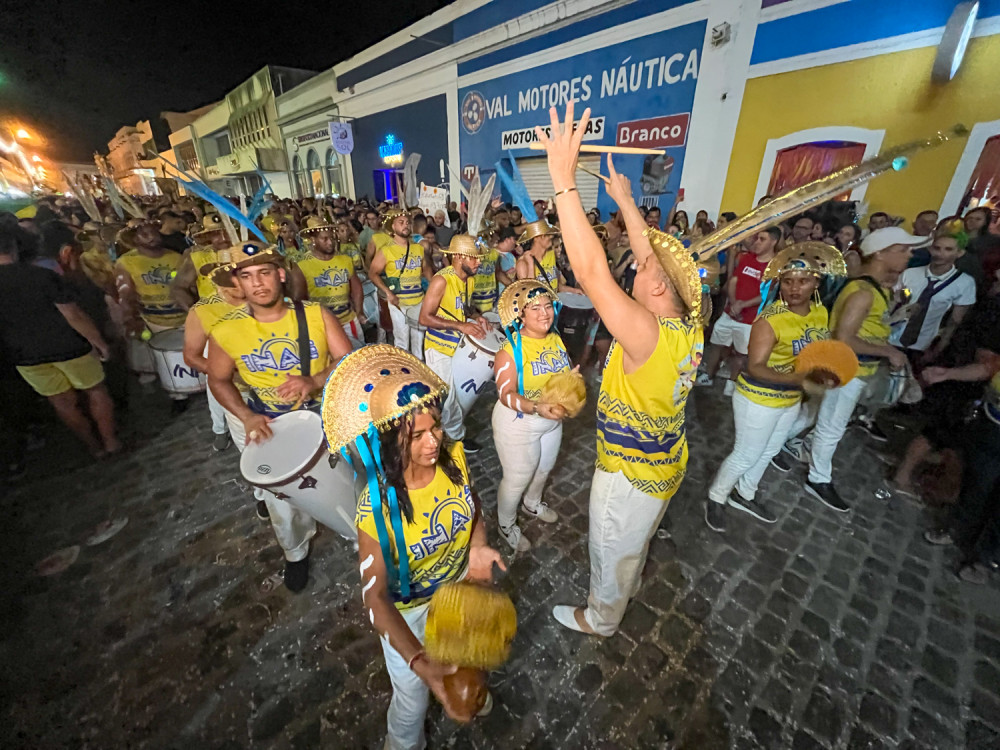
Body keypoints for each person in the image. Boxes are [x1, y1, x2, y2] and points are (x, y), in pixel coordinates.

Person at [536, 102, 703, 637]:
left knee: (609, 545)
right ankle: (626, 581)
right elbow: (647, 253)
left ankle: (601, 617)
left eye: (644, 266)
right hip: (664, 461)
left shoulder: (647, 334)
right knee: (635, 540)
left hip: (629, 474)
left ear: (656, 287)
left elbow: (590, 272)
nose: (637, 261)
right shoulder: (687, 324)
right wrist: (628, 203)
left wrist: (564, 182)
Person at [322, 346, 504, 749]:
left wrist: (478, 547)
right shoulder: (376, 509)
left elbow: (472, 508)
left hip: (460, 592)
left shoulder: (454, 460)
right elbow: (375, 597)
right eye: (416, 435)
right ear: (389, 442)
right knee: (413, 699)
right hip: (412, 613)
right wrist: (420, 661)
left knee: (466, 658)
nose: (432, 442)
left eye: (435, 427)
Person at [206, 240, 353, 591]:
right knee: (281, 503)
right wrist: (246, 416)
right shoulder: (226, 330)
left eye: (265, 272)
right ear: (237, 283)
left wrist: (314, 380)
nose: (257, 283)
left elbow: (347, 359)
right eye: (247, 276)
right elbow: (218, 380)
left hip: (325, 414)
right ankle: (296, 553)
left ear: (281, 275)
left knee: (350, 479)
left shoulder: (316, 315)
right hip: (272, 424)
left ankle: (362, 532)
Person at [705, 250, 844, 532]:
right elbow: (755, 367)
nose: (794, 288)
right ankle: (716, 497)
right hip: (759, 398)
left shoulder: (820, 312)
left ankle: (745, 494)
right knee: (746, 453)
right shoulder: (770, 320)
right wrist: (802, 380)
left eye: (803, 281)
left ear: (816, 283)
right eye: (788, 281)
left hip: (789, 398)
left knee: (769, 450)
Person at [802, 227, 927, 511]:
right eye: (903, 249)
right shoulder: (863, 293)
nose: (910, 255)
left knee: (813, 414)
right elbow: (845, 338)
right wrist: (888, 351)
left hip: (851, 368)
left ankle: (782, 448)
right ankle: (818, 478)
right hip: (847, 369)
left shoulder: (874, 289)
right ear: (880, 253)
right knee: (831, 426)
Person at [0, 223, 120, 458]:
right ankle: (111, 442)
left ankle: (93, 447)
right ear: (14, 246)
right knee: (95, 390)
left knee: (61, 402)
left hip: (25, 355)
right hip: (68, 345)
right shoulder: (41, 275)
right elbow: (73, 315)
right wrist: (99, 343)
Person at [492, 280, 572, 551]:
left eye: (548, 306)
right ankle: (505, 524)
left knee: (544, 468)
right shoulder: (510, 349)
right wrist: (537, 407)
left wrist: (571, 385)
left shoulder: (555, 337)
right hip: (519, 423)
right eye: (535, 308)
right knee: (517, 478)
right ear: (521, 316)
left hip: (552, 420)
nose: (544, 313)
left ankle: (532, 503)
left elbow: (562, 372)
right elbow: (505, 394)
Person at [419, 234, 491, 451]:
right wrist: (461, 326)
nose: (478, 263)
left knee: (457, 393)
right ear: (459, 257)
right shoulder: (441, 280)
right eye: (474, 258)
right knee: (448, 397)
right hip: (438, 348)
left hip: (457, 346)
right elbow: (424, 317)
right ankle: (454, 440)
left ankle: (446, 433)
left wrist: (477, 316)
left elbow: (464, 308)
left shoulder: (469, 279)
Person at [697, 228, 779, 392]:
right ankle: (708, 375)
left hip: (750, 319)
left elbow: (766, 295)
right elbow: (734, 280)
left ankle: (732, 383)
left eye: (762, 239)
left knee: (741, 353)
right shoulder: (747, 258)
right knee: (716, 344)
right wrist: (734, 304)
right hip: (730, 313)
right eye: (757, 238)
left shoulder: (773, 268)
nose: (757, 242)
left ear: (773, 242)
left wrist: (743, 305)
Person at [891, 226, 976, 367]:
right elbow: (894, 301)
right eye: (937, 248)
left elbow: (954, 321)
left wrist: (937, 351)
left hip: (923, 345)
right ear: (930, 249)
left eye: (948, 249)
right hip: (890, 337)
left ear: (959, 253)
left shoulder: (964, 283)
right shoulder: (910, 273)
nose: (940, 254)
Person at [292, 216, 366, 350]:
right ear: (313, 240)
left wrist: (359, 311)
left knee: (357, 355)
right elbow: (299, 300)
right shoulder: (302, 266)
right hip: (321, 324)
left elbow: (356, 288)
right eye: (324, 239)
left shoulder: (345, 260)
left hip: (348, 320)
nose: (330, 242)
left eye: (332, 238)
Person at [369, 209, 433, 355]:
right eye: (401, 222)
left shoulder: (418, 248)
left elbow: (427, 270)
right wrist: (388, 293)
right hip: (399, 303)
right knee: (402, 341)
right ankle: (403, 367)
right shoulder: (386, 250)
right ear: (393, 226)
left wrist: (432, 290)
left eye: (408, 223)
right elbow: (373, 273)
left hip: (418, 300)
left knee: (418, 341)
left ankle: (417, 367)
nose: (406, 225)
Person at [171, 214, 231, 309]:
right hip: (213, 316)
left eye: (228, 232)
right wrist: (195, 313)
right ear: (208, 236)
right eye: (216, 234)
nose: (223, 238)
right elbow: (179, 288)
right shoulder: (198, 257)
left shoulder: (248, 252)